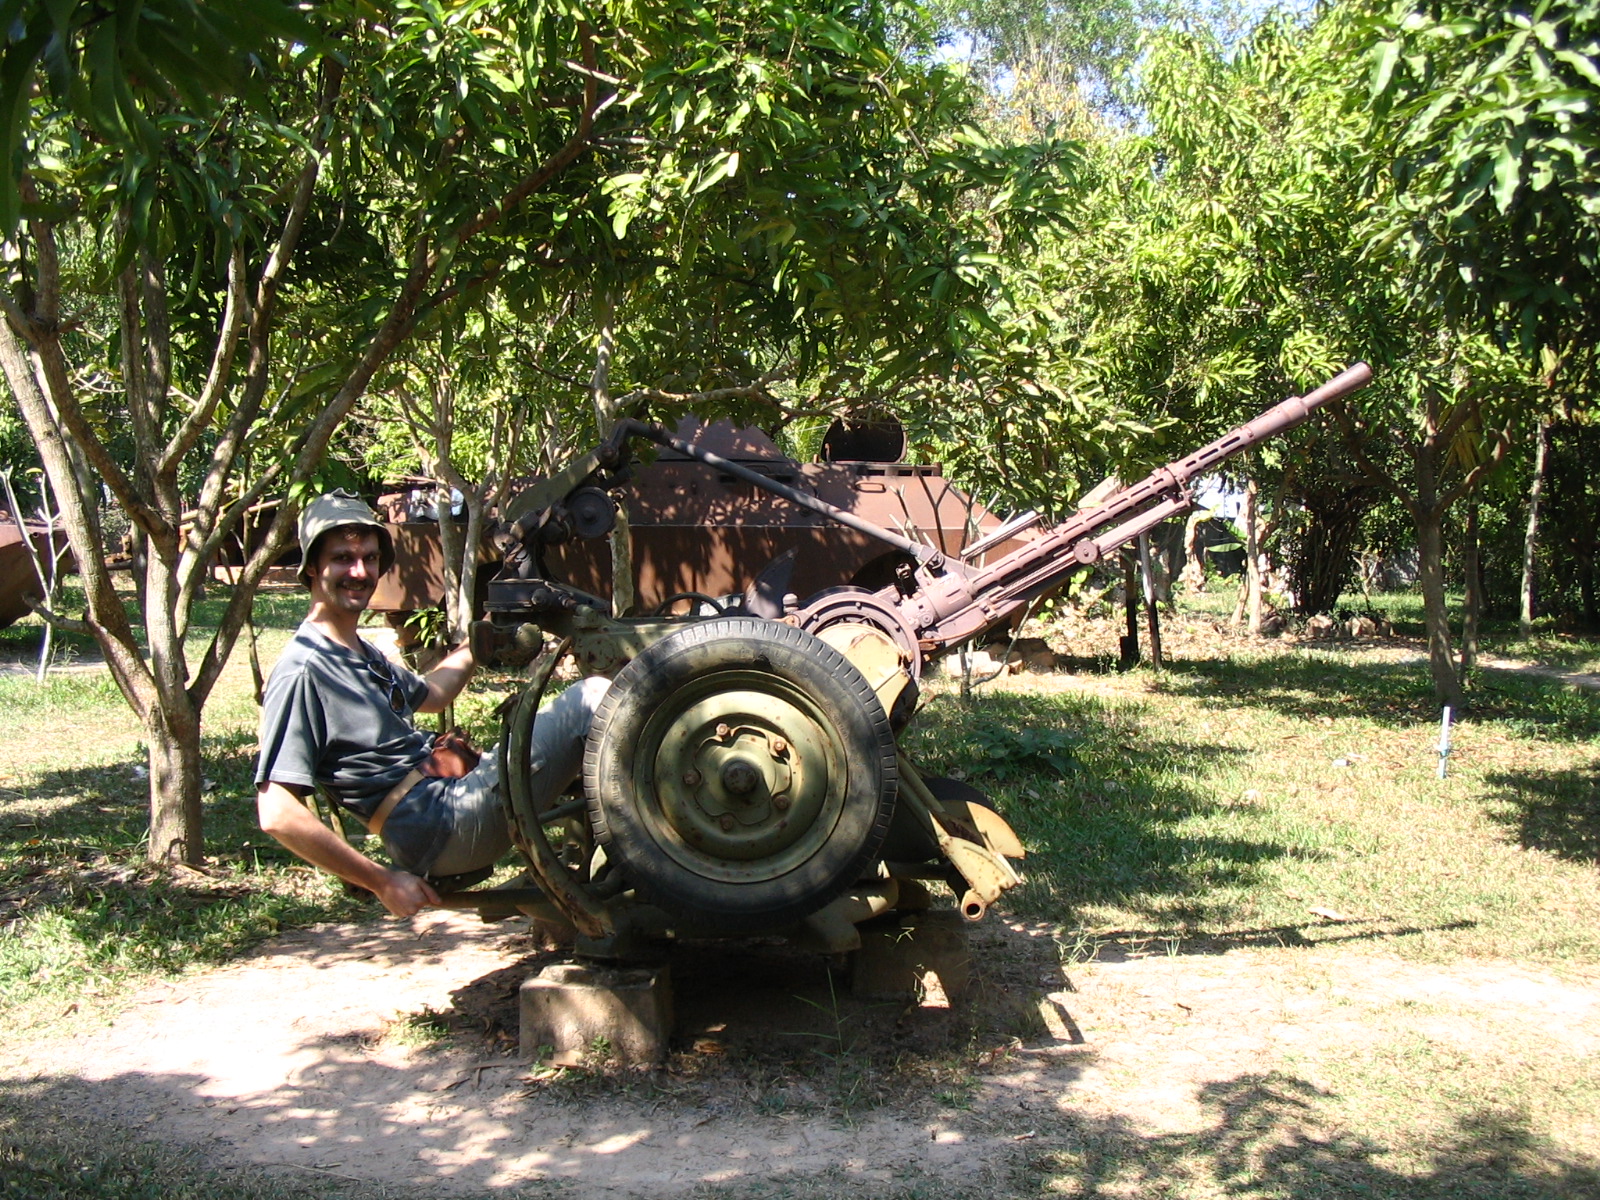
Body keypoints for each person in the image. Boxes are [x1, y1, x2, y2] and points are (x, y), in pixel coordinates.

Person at [254, 489, 607, 918]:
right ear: (312, 566)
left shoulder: (353, 650)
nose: (360, 571)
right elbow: (276, 812)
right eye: (343, 558)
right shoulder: (305, 669)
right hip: (442, 822)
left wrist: (487, 629)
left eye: (369, 557)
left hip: (448, 801)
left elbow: (434, 694)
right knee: (595, 697)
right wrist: (380, 881)